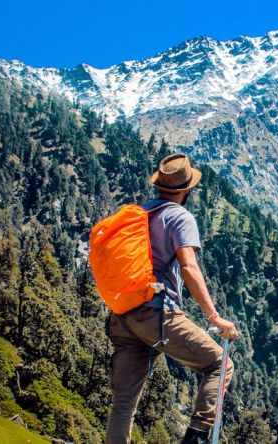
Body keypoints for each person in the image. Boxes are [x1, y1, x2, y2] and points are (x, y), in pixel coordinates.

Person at [105, 153, 239, 444]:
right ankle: (197, 437)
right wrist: (214, 317)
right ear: (187, 189)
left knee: (124, 402)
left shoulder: (139, 213)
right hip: (157, 314)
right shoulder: (180, 216)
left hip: (123, 314)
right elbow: (189, 267)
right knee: (220, 364)